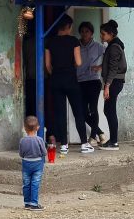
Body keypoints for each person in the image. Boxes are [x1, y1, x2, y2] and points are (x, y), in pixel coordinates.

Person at [45, 14, 94, 154]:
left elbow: (48, 66)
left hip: (56, 80)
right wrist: (70, 66)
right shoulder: (73, 41)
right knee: (78, 111)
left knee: (60, 113)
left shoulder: (50, 42)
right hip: (71, 80)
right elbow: (79, 62)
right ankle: (84, 144)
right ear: (68, 27)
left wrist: (56, 72)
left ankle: (64, 146)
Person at [77, 21, 108, 147]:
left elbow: (109, 56)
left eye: (87, 31)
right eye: (82, 31)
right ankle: (100, 133)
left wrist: (101, 66)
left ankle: (92, 137)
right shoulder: (76, 46)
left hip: (94, 81)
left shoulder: (98, 46)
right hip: (80, 81)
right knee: (82, 112)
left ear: (92, 33)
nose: (84, 34)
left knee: (93, 109)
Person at [99, 20, 127, 150]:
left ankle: (114, 141)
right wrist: (99, 67)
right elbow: (111, 64)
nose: (101, 36)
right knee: (108, 110)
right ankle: (113, 140)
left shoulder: (114, 47)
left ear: (110, 34)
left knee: (110, 110)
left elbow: (114, 68)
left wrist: (107, 86)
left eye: (103, 34)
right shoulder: (113, 45)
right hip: (114, 81)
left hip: (114, 82)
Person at [19, 115, 46, 211]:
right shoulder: (39, 140)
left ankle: (27, 203)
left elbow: (21, 153)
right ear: (38, 127)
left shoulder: (22, 140)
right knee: (35, 183)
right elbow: (44, 152)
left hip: (26, 164)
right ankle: (34, 204)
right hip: (37, 164)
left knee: (26, 183)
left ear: (25, 128)